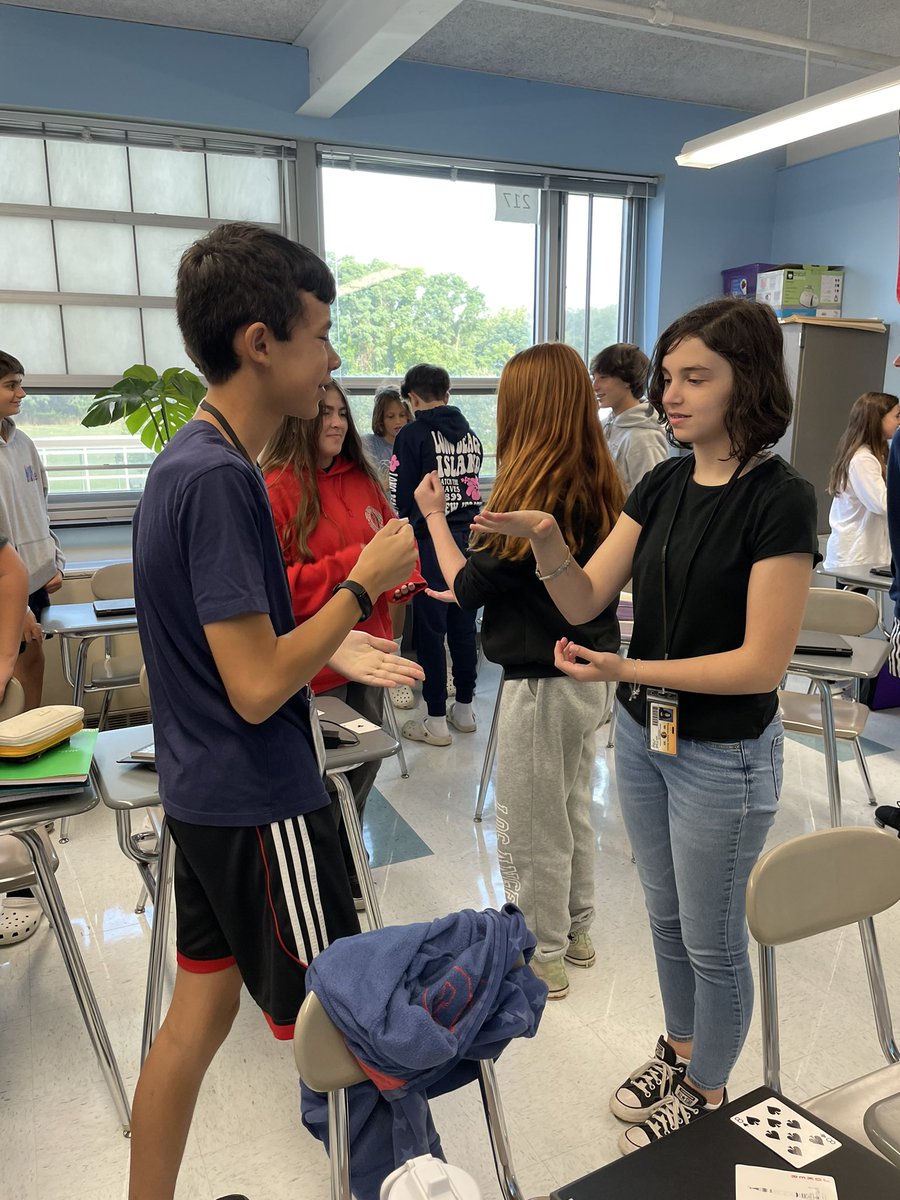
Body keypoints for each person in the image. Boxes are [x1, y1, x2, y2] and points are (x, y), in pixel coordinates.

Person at [475, 298, 818, 1153]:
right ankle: (680, 1049)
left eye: (695, 377)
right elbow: (586, 596)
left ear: (751, 385)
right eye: (668, 377)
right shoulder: (664, 481)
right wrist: (551, 541)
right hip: (646, 737)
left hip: (724, 752)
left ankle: (709, 1094)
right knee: (665, 918)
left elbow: (760, 665)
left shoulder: (780, 500)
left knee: (711, 938)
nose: (672, 394)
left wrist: (627, 668)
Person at [129, 222, 422, 1200]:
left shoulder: (190, 461)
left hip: (206, 797)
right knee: (351, 1034)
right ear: (262, 342)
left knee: (194, 1025)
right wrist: (359, 585)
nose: (334, 361)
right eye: (321, 335)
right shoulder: (222, 481)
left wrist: (330, 642)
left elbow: (230, 651)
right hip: (262, 805)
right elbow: (256, 685)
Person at [414, 342, 624, 998]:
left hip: (541, 684)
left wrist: (431, 517)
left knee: (534, 823)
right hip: (589, 677)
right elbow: (517, 582)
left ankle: (543, 956)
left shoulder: (536, 494)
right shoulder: (597, 481)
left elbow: (470, 583)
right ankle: (578, 931)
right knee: (569, 809)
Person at [262, 378, 423, 899]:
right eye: (322, 412)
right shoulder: (275, 488)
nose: (334, 422)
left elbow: (396, 543)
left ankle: (343, 852)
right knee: (320, 774)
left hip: (371, 653)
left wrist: (400, 578)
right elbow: (277, 590)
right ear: (299, 418)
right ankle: (323, 866)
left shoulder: (363, 478)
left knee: (367, 756)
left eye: (340, 413)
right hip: (316, 661)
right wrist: (359, 569)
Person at [391, 363, 483, 746]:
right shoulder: (472, 436)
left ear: (412, 399)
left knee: (430, 631)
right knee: (464, 627)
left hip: (430, 541)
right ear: (447, 394)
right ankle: (464, 709)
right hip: (469, 541)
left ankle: (434, 719)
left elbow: (400, 494)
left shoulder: (411, 435)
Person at [0, 351, 65, 709]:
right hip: (6, 587)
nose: (21, 394)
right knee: (11, 682)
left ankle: (31, 755)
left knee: (33, 665)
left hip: (35, 582)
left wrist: (54, 559)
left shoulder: (23, 442)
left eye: (20, 385)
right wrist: (18, 605)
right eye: (11, 385)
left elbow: (40, 506)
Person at [823, 391, 900, 574]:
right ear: (876, 420)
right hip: (853, 555)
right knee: (847, 602)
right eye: (896, 416)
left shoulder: (874, 456)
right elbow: (882, 504)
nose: (899, 422)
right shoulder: (862, 460)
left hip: (861, 554)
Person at [590, 342, 668, 494]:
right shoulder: (605, 425)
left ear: (628, 380)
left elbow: (651, 499)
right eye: (594, 377)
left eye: (603, 378)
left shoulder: (644, 438)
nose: (595, 386)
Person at [362, 383, 411, 488]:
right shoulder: (368, 444)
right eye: (390, 416)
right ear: (380, 419)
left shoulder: (413, 446)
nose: (398, 421)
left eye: (402, 415)